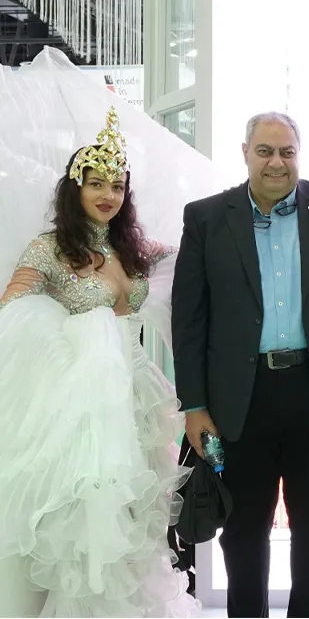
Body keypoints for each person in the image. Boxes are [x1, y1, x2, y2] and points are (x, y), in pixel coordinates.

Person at [171, 111, 309, 618]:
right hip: (239, 399)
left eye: (287, 152)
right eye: (265, 151)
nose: (276, 162)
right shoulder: (206, 217)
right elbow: (189, 319)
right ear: (245, 153)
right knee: (243, 529)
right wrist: (194, 405)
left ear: (298, 155)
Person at [0, 104, 201, 616]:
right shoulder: (50, 248)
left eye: (117, 186)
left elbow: (191, 256)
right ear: (75, 189)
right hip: (77, 408)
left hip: (135, 399)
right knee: (80, 520)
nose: (108, 195)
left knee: (131, 518)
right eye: (96, 184)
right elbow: (11, 312)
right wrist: (73, 345)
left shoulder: (134, 248)